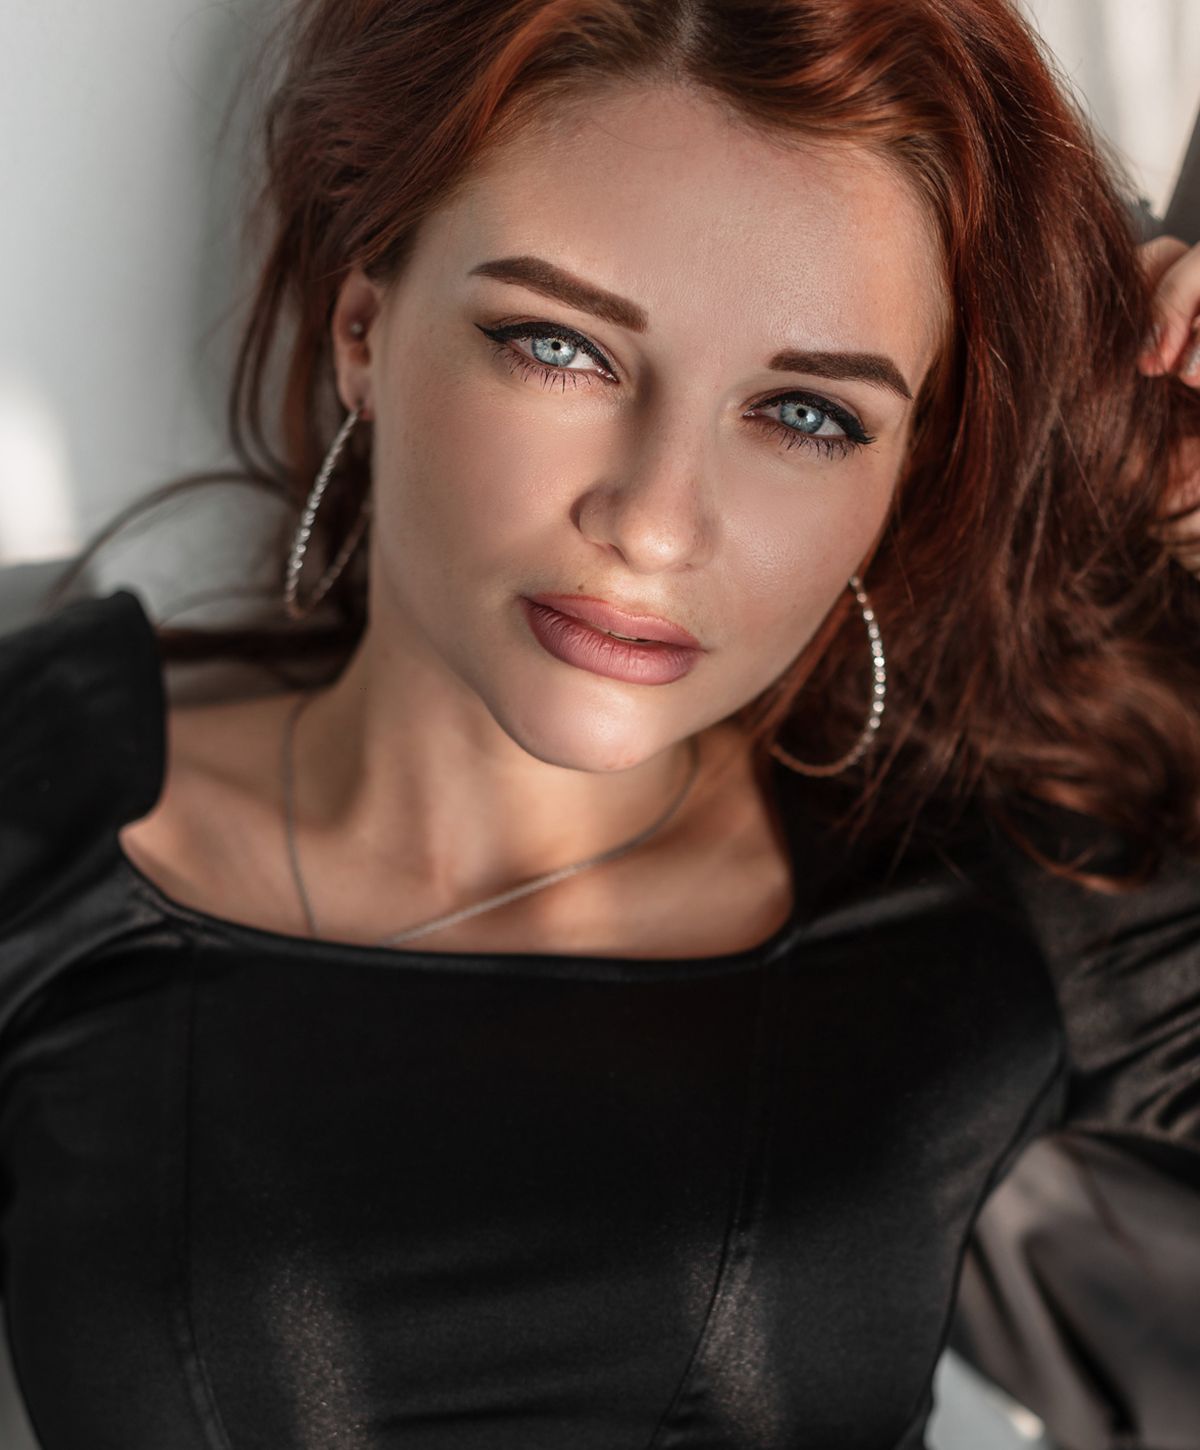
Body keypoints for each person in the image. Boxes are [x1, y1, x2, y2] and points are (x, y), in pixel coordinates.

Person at [1, 2, 1198, 1447]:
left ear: (906, 470)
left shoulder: (990, 898)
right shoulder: (44, 790)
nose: (652, 522)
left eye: (809, 415)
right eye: (561, 346)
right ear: (365, 329)